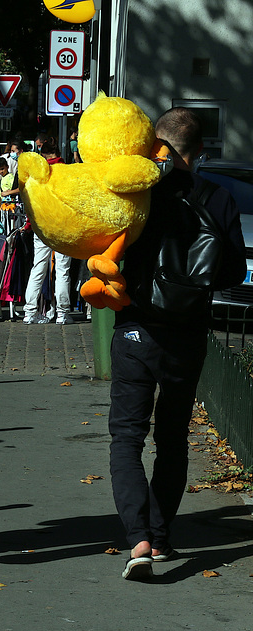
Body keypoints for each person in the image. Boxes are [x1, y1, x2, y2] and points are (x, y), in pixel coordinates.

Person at [108, 107, 246, 580]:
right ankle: (162, 537)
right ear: (200, 152)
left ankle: (138, 539)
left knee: (126, 437)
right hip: (187, 336)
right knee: (172, 440)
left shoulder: (139, 196)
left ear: (155, 145)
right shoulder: (220, 199)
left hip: (135, 330)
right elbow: (230, 273)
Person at [23, 141, 74, 325]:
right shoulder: (68, 173)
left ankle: (30, 312)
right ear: (58, 153)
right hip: (63, 226)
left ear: (43, 155)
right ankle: (62, 313)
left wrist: (29, 224)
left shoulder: (38, 175)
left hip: (42, 226)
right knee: (62, 270)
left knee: (38, 267)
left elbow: (31, 202)